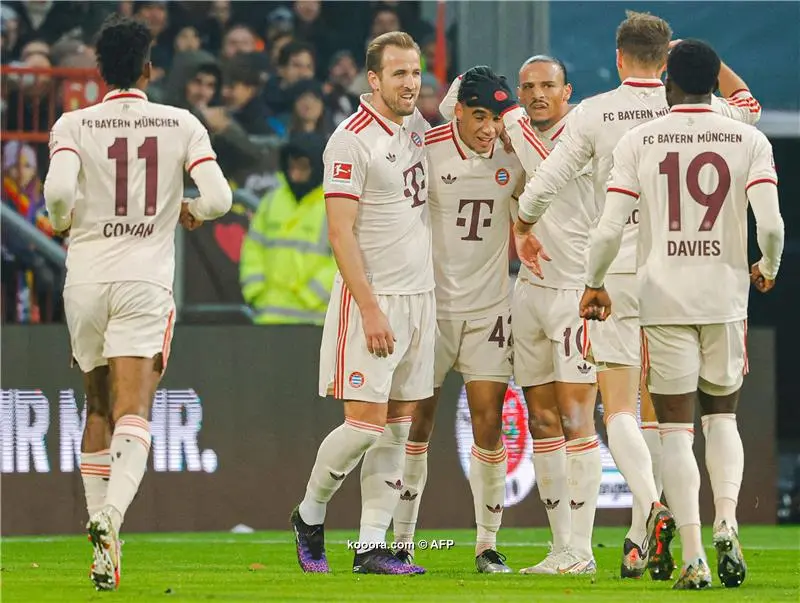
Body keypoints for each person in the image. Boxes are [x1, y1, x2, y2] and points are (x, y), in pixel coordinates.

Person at [511, 10, 762, 579]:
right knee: (678, 412)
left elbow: (547, 180)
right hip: (686, 273)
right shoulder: (707, 109)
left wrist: (524, 221)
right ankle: (683, 522)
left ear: (618, 57)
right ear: (668, 58)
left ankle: (648, 508)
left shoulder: (595, 113)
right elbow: (749, 106)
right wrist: (703, 59)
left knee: (620, 405)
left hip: (613, 270)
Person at [579, 39, 783, 589]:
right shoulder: (748, 137)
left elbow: (607, 229)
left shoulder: (639, 140)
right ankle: (727, 523)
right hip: (724, 297)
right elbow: (772, 225)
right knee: (722, 420)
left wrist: (594, 284)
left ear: (667, 81)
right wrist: (768, 265)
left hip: (663, 299)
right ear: (715, 83)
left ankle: (692, 555)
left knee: (674, 432)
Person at [42, 16, 231, 591]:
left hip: (86, 279)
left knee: (96, 406)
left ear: (100, 71)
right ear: (149, 68)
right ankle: (111, 516)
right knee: (135, 410)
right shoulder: (181, 123)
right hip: (144, 280)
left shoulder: (73, 123)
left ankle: (107, 551)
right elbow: (219, 197)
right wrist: (193, 211)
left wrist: (63, 221)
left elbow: (55, 193)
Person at [290, 31, 433, 576]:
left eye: (415, 72)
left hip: (421, 299)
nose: (410, 83)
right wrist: (369, 307)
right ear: (373, 80)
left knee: (398, 428)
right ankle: (310, 513)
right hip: (374, 301)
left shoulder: (414, 127)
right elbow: (340, 232)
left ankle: (371, 547)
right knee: (366, 425)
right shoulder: (349, 141)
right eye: (398, 73)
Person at [391, 66, 525, 574]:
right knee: (415, 424)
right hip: (432, 309)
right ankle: (401, 542)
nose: (488, 128)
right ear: (459, 110)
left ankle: (486, 544)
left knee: (490, 425)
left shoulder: (513, 154)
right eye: (479, 116)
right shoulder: (427, 146)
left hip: (490, 309)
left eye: (495, 117)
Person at [239, 132, 336, 324]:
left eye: (303, 167)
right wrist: (255, 292)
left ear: (318, 167)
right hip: (267, 318)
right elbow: (252, 249)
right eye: (291, 167)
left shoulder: (334, 204)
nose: (295, 174)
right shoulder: (271, 201)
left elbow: (345, 260)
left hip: (316, 320)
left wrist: (311, 295)